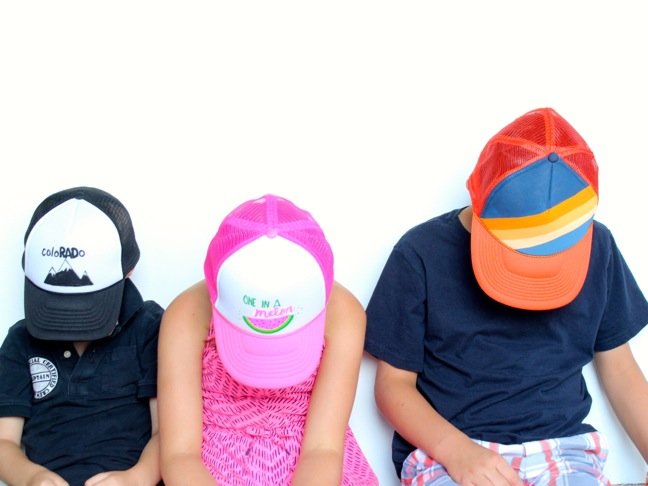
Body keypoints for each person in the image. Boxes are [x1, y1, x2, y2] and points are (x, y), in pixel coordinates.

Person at [364, 108, 648, 485]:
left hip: (564, 451)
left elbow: (620, 368)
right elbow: (392, 384)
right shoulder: (421, 254)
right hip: (451, 454)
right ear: (478, 196)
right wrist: (456, 451)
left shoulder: (600, 248)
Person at [158, 194, 378, 486]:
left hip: (312, 460)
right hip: (207, 467)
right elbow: (180, 455)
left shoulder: (344, 314)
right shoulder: (186, 315)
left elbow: (323, 448)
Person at [0, 186, 163, 486]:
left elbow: (166, 432)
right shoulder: (20, 341)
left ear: (128, 270)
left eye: (87, 309)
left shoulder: (150, 329)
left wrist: (135, 479)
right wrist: (33, 478)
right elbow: (4, 442)